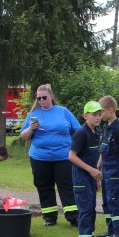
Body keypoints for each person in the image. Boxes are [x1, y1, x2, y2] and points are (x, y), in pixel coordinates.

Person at [19, 84, 80, 227]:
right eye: (38, 98)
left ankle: (73, 217)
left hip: (63, 157)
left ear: (51, 97)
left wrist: (78, 149)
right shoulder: (34, 115)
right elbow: (24, 136)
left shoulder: (63, 111)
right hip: (40, 158)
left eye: (44, 97)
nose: (41, 100)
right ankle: (49, 218)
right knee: (44, 187)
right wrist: (31, 129)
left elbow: (77, 131)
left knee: (67, 186)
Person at [69, 101, 107, 237]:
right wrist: (91, 170)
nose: (97, 117)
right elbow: (71, 156)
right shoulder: (81, 133)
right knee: (85, 211)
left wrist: (96, 177)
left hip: (91, 178)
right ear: (85, 116)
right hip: (81, 178)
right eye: (94, 114)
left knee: (91, 210)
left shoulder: (96, 132)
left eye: (99, 114)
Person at [97, 96, 119, 237]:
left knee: (114, 201)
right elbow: (103, 149)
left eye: (101, 111)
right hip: (105, 169)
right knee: (106, 201)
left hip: (115, 170)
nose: (99, 114)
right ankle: (110, 230)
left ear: (110, 110)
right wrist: (98, 164)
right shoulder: (105, 127)